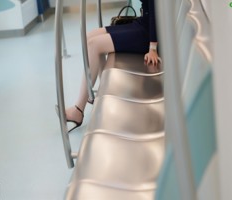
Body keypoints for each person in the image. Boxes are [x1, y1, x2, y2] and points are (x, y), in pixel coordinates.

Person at [65, 0, 161, 132]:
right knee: (89, 37)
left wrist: (153, 48)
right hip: (142, 23)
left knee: (95, 45)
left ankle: (78, 110)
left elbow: (155, 10)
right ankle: (103, 94)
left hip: (147, 34)